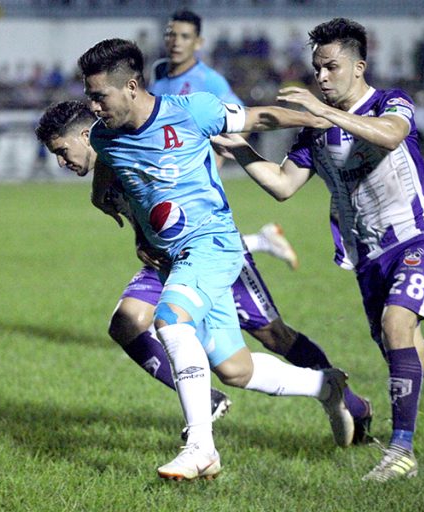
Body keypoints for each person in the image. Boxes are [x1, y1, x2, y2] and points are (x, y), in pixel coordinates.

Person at [210, 18, 424, 482]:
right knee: (407, 358)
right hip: (366, 256)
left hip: (414, 237)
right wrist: (242, 149)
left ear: (358, 66)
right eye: (317, 69)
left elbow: (390, 135)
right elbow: (284, 186)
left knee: (396, 326)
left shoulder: (391, 102)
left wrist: (323, 112)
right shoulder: (315, 130)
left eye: (331, 67)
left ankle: (401, 452)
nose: (322, 77)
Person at [76, 38, 355, 481]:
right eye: (89, 96)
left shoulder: (192, 111)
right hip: (174, 260)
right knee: (235, 370)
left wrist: (320, 115)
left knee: (170, 320)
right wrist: (117, 214)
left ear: (130, 86)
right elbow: (111, 176)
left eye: (98, 96)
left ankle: (201, 448)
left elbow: (259, 117)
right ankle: (326, 385)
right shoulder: (104, 136)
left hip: (214, 246)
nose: (92, 106)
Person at [36, 99, 374, 444]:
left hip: (211, 252)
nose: (61, 162)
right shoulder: (108, 171)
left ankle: (349, 403)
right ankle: (205, 407)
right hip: (168, 264)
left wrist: (315, 118)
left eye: (62, 151)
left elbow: (231, 126)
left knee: (273, 336)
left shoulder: (149, 132)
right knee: (127, 321)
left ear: (85, 135)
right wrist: (140, 239)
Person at [148, 9, 298, 270]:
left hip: (193, 175)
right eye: (171, 35)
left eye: (185, 36)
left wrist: (218, 159)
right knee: (180, 244)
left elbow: (242, 118)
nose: (176, 42)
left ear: (198, 43)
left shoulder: (209, 80)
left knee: (183, 244)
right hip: (168, 170)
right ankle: (263, 240)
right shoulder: (159, 71)